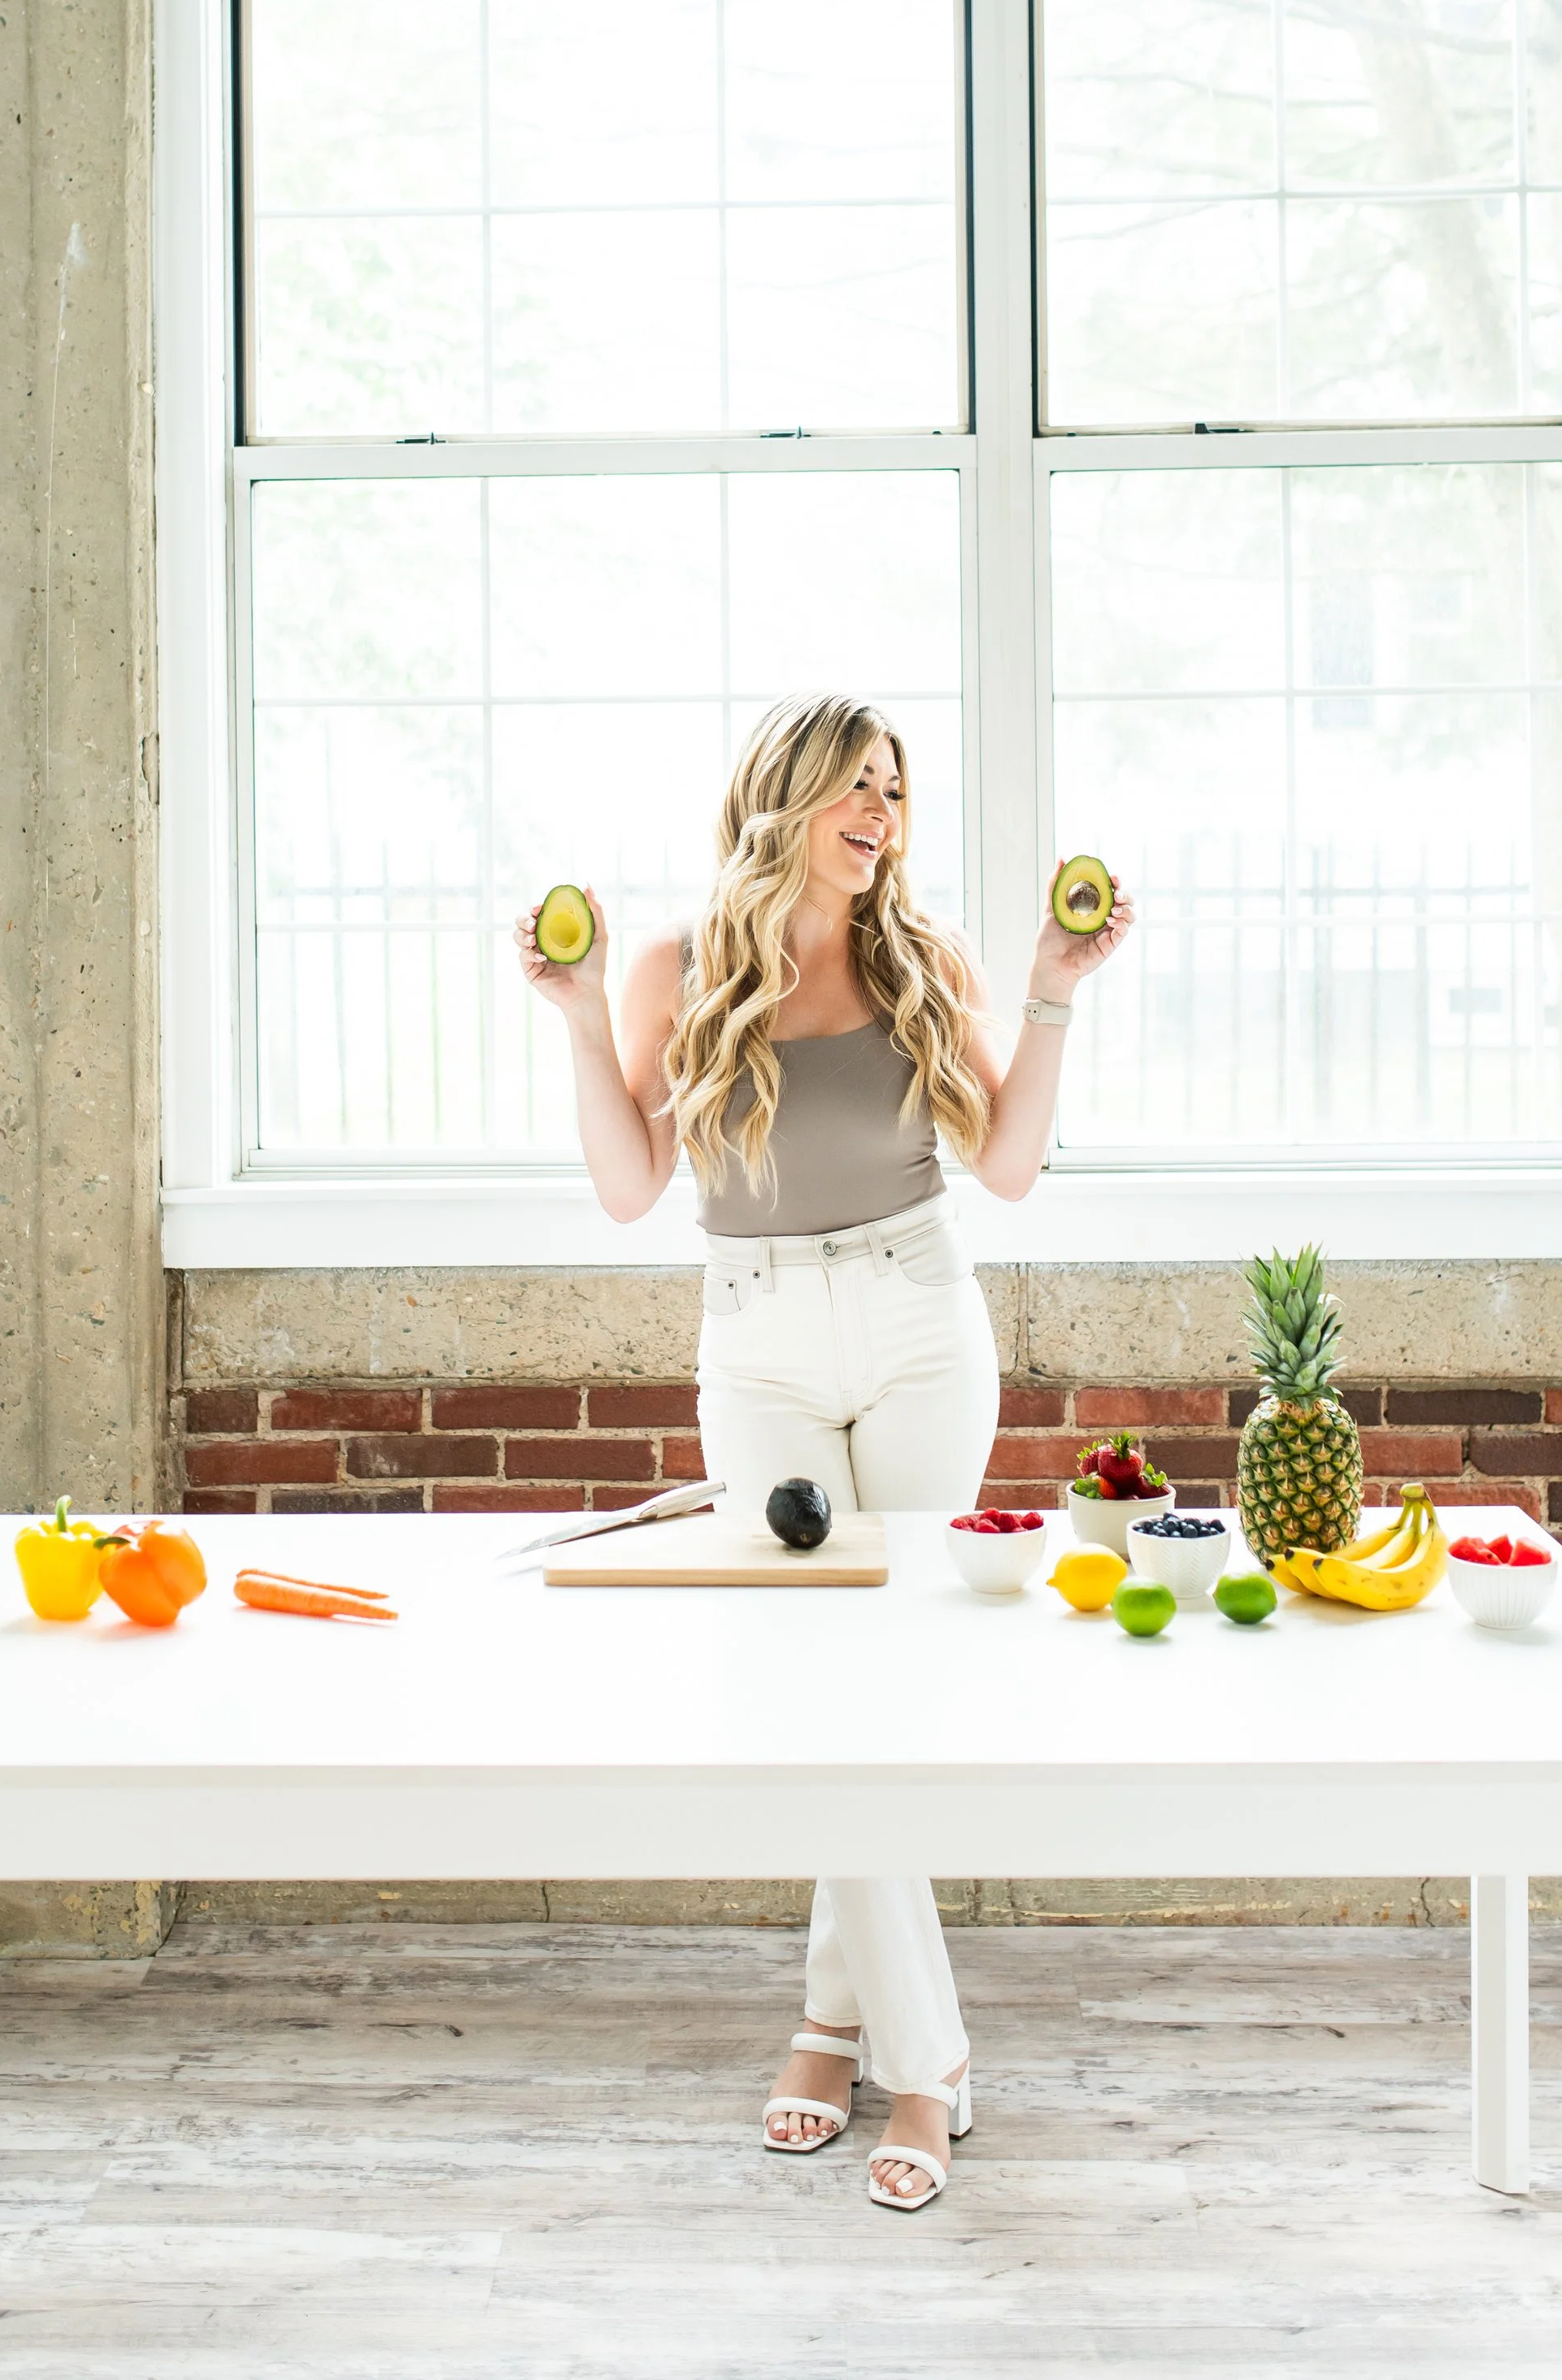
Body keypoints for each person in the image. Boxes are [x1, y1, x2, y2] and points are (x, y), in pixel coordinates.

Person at [514, 693, 1132, 2209]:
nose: (884, 811)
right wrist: (585, 1022)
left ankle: (854, 2038)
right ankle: (920, 2056)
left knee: (889, 1699)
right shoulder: (682, 965)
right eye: (858, 785)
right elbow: (627, 1186)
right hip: (761, 1340)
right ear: (783, 796)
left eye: (896, 788)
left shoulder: (924, 960)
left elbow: (1010, 1166)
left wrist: (1052, 989)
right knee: (811, 1698)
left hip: (924, 1326)